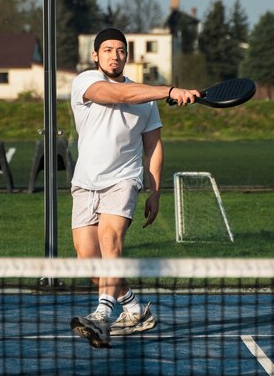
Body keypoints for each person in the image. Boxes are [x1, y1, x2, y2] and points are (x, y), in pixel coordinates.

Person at [68, 28, 200, 348]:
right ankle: (134, 309)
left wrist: (155, 191)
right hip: (85, 181)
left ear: (127, 56)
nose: (115, 56)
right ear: (96, 55)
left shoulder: (146, 100)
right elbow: (118, 95)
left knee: (110, 237)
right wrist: (169, 90)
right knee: (90, 262)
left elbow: (153, 145)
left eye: (121, 51)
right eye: (108, 50)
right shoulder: (85, 82)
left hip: (124, 178)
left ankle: (101, 316)